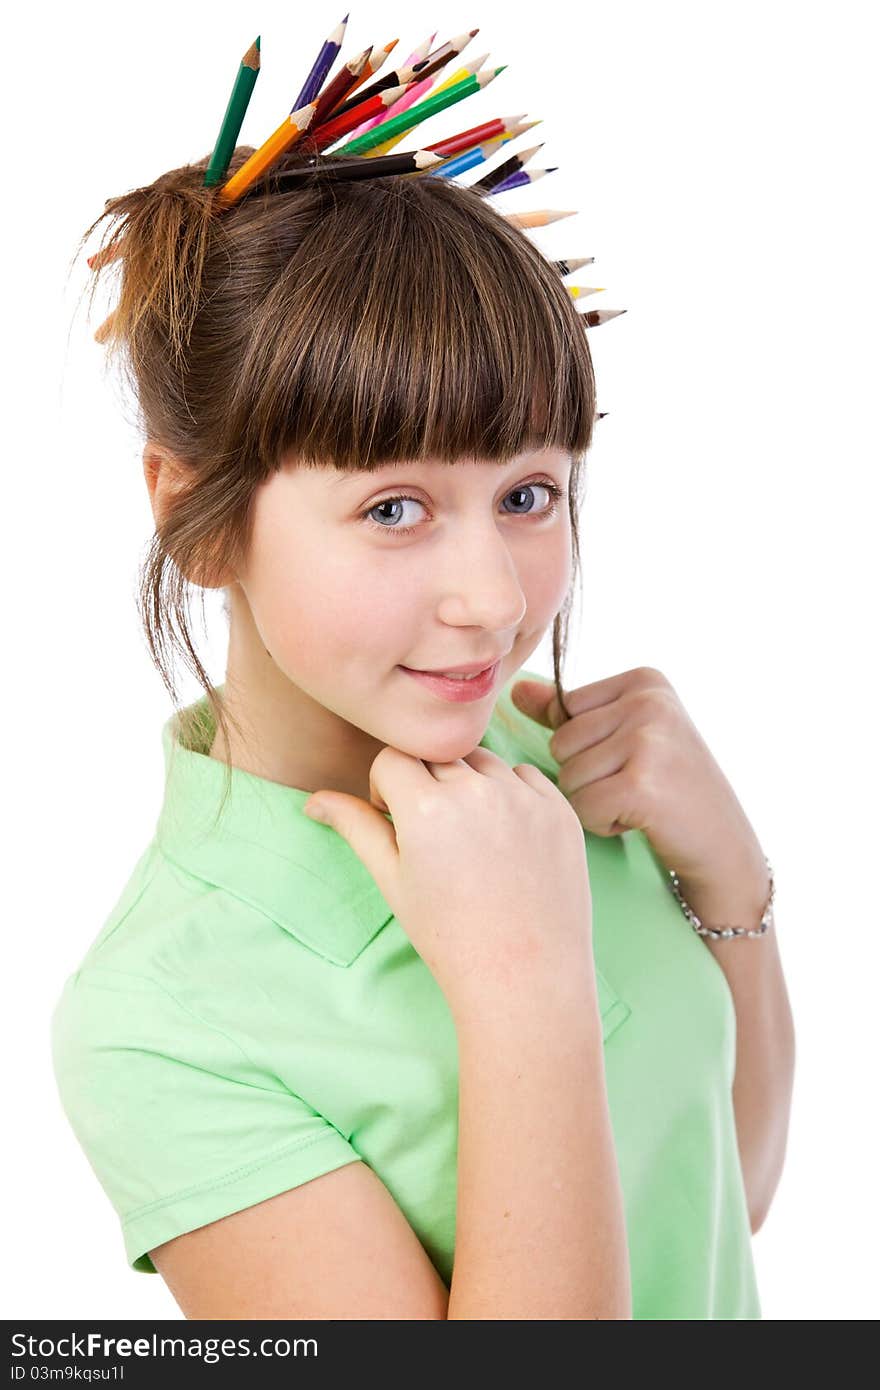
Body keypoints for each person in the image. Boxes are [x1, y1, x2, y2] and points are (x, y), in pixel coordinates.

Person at [50, 139, 785, 1320]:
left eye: (526, 495)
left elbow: (720, 1199)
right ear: (197, 520)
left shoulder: (560, 768)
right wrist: (523, 987)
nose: (492, 599)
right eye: (394, 507)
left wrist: (730, 874)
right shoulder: (161, 1023)